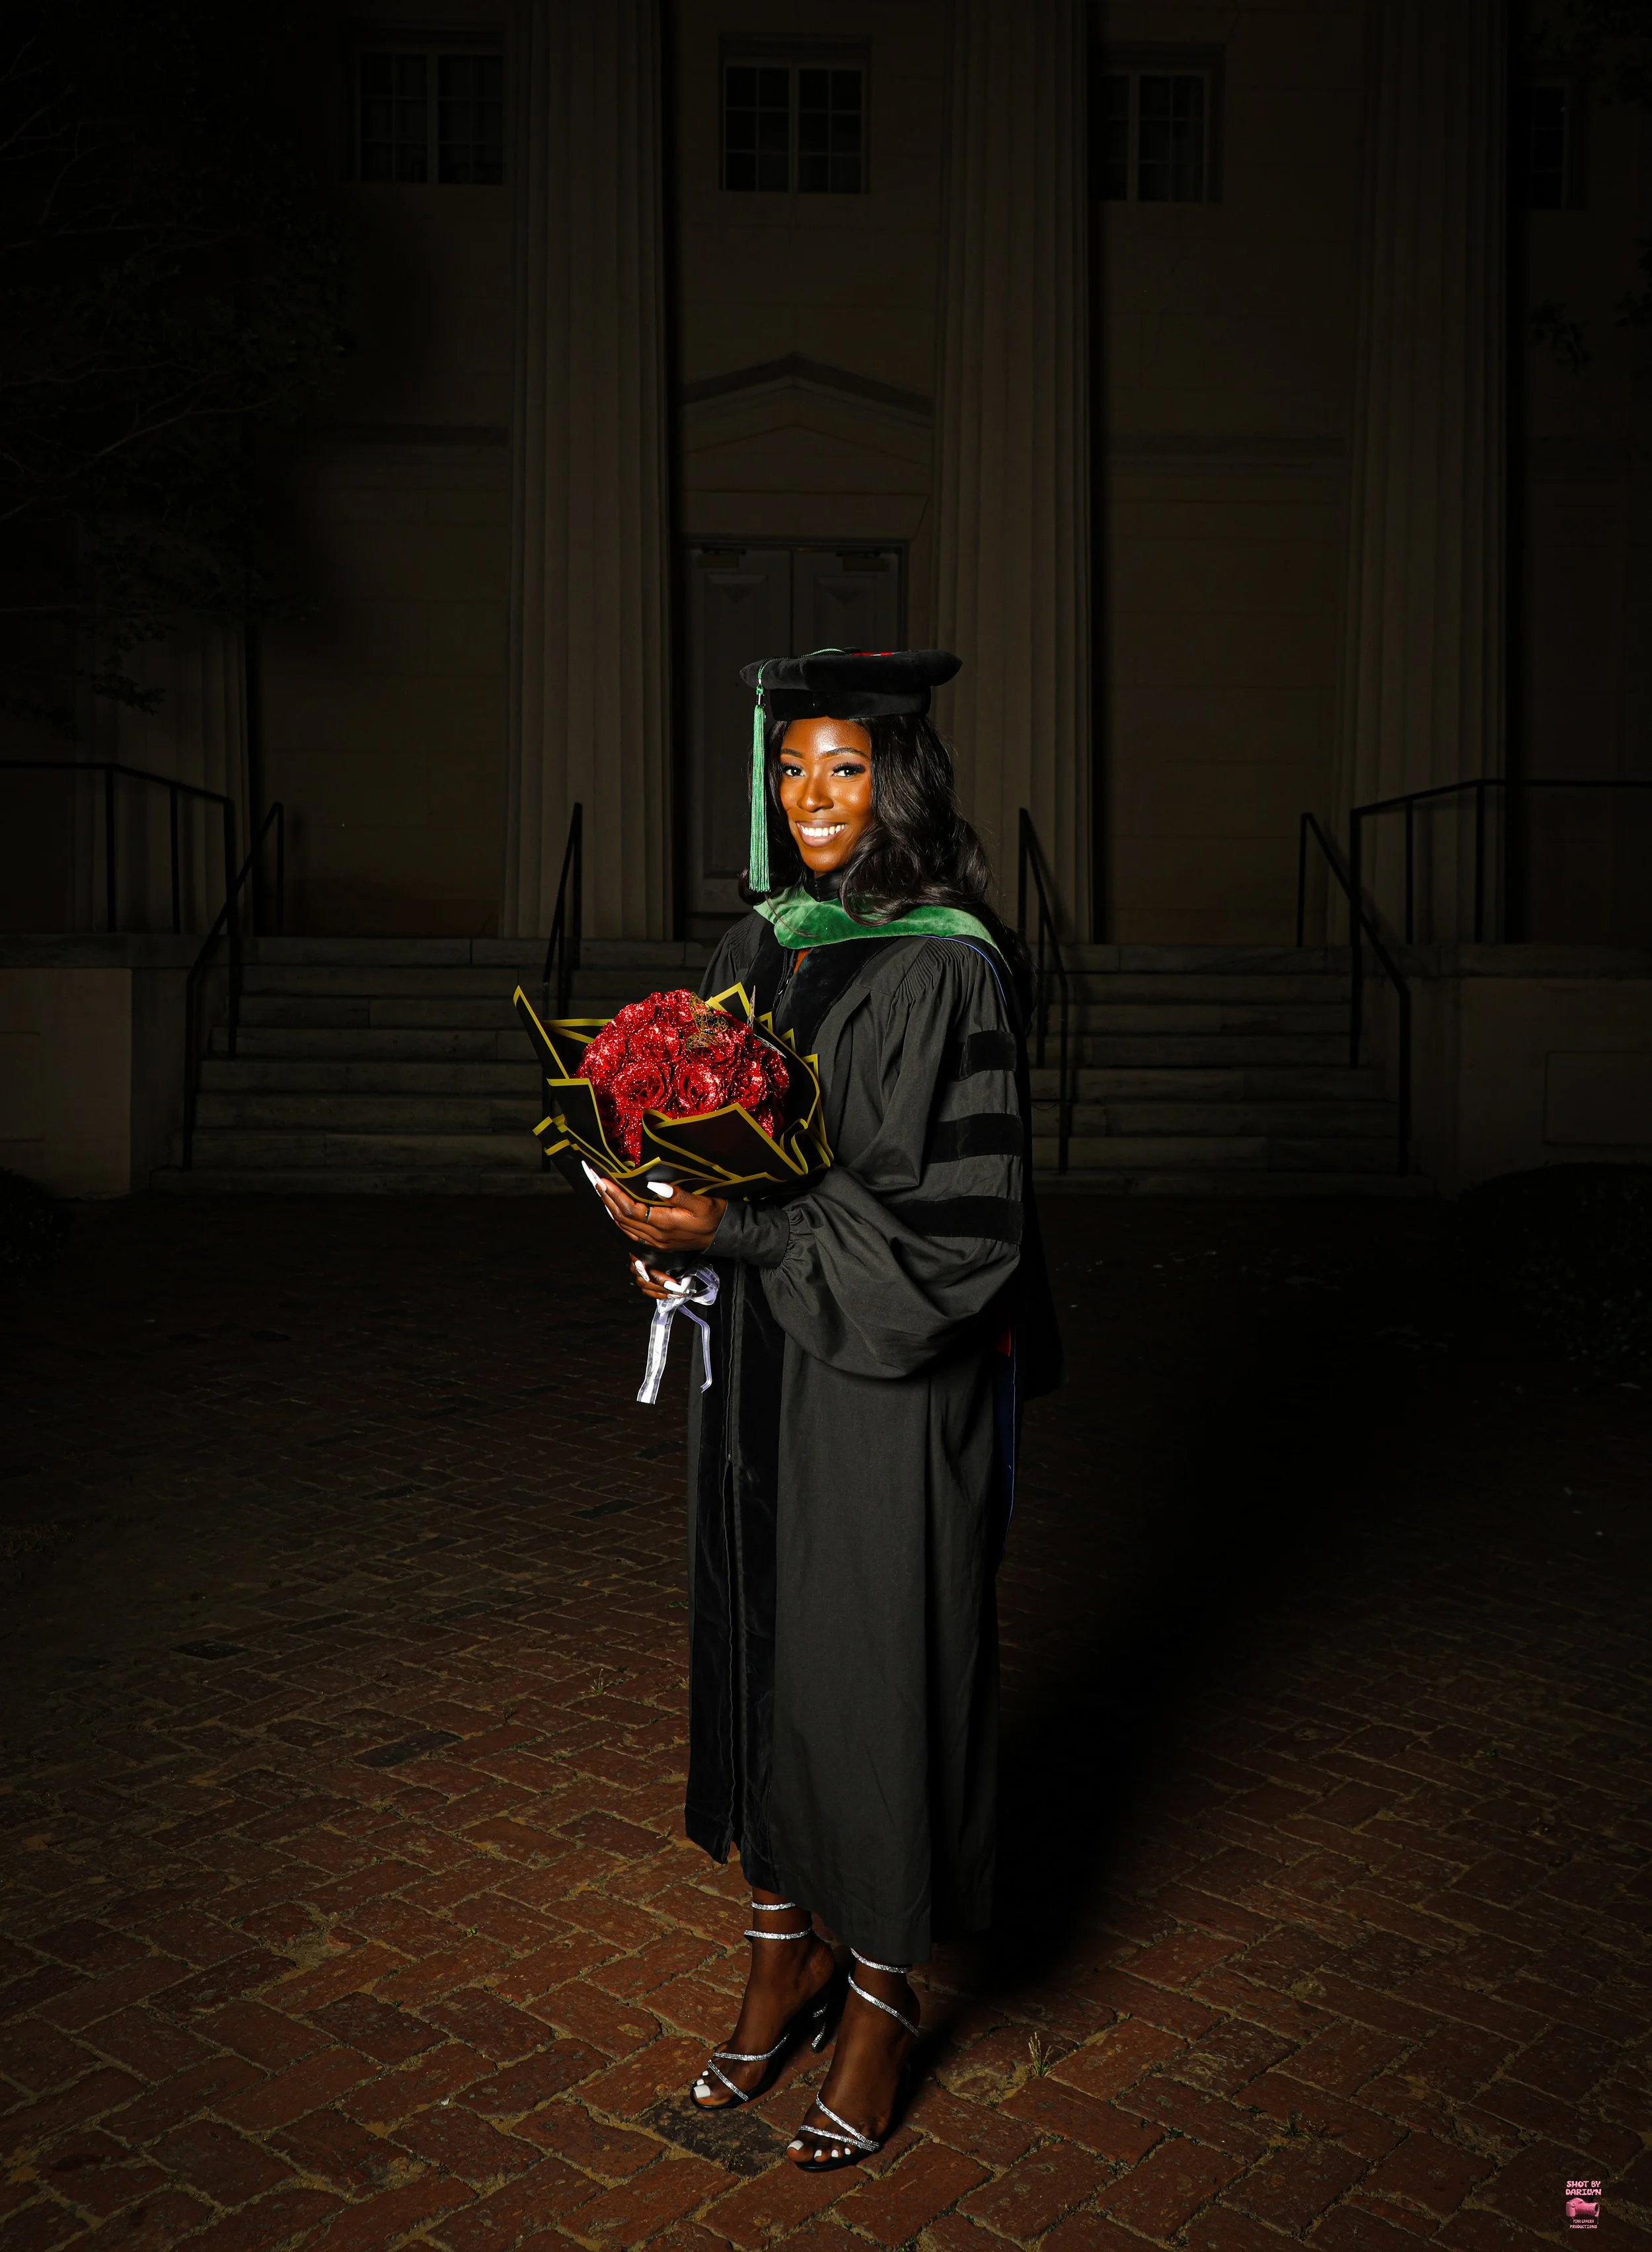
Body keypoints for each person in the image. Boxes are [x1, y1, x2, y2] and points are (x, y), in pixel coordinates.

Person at [588, 648, 1061, 2171]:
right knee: (765, 1645)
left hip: (883, 1376)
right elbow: (722, 1149)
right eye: (790, 766)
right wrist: (663, 1222)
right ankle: (779, 1953)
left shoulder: (951, 964)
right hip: (758, 1362)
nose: (810, 794)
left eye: (844, 767)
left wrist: (732, 1229)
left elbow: (962, 1239)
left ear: (895, 781)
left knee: (879, 1664)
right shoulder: (758, 939)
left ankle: (879, 1991)